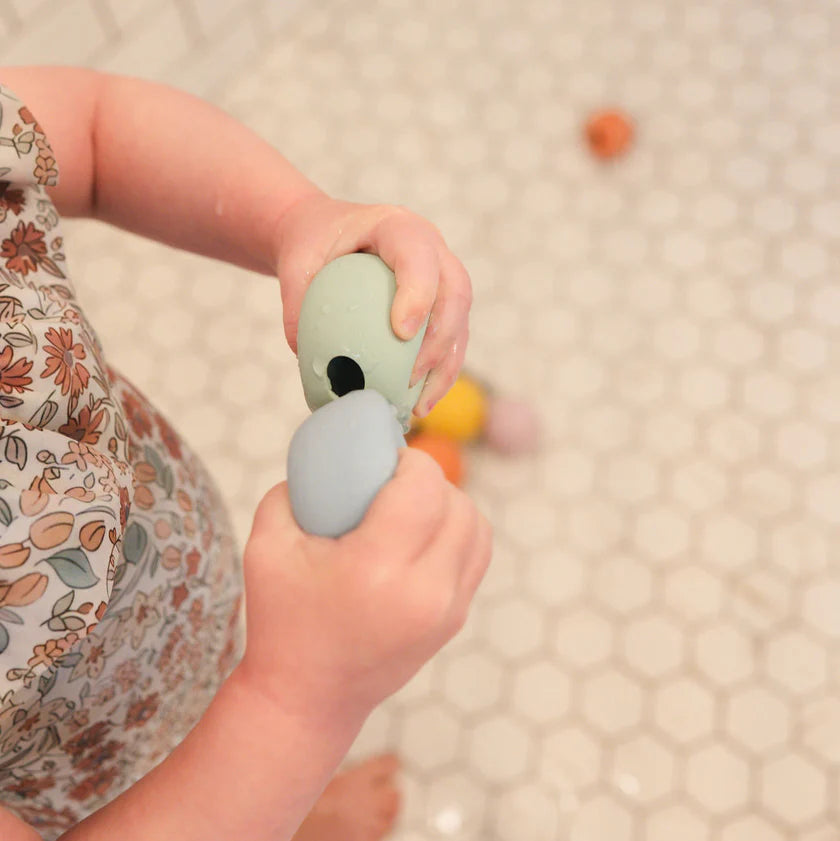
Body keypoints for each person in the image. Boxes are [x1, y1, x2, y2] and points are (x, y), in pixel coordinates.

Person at [0, 66, 491, 841]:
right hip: (78, 789)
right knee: (231, 768)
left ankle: (279, 791)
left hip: (178, 597)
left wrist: (297, 218)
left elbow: (94, 127)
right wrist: (296, 707)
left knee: (221, 722)